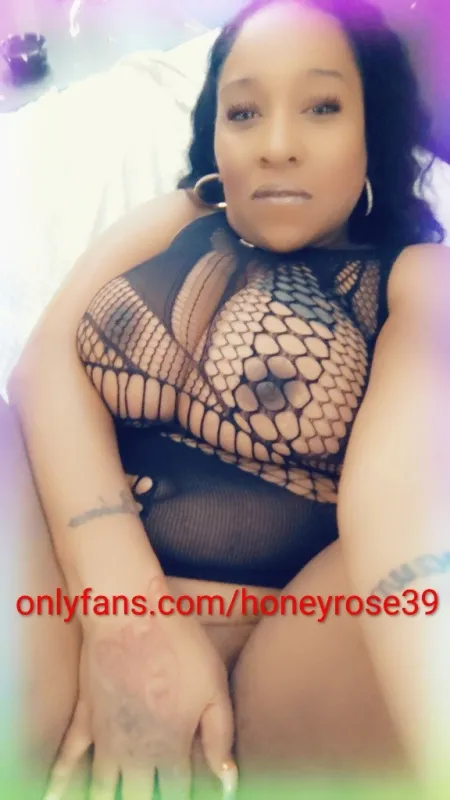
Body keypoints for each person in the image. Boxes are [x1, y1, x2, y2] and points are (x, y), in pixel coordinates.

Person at [7, 0, 450, 797]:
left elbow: (404, 500)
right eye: (244, 112)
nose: (276, 144)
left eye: (322, 107)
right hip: (66, 607)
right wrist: (128, 616)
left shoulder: (417, 278)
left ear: (372, 132)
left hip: (277, 678)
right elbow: (44, 368)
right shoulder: (175, 219)